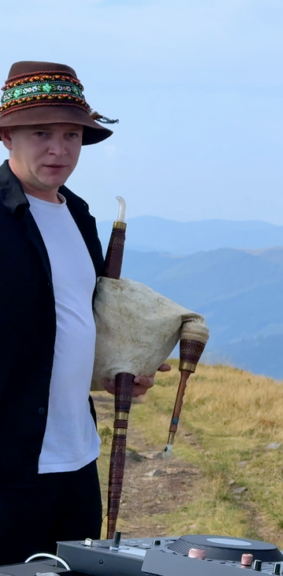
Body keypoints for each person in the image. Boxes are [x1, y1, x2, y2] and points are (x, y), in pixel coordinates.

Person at [0, 61, 168, 564]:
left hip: (78, 458)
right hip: (9, 466)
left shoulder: (78, 214)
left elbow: (74, 319)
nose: (59, 149)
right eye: (41, 133)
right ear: (7, 137)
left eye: (71, 135)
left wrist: (118, 367)